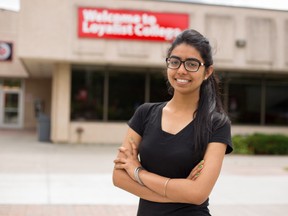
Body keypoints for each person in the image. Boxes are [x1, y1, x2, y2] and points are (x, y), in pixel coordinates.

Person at [112, 29, 233, 216]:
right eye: (175, 62)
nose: (181, 70)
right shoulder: (145, 114)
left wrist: (137, 172)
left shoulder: (217, 124)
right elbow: (119, 177)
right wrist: (178, 192)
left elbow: (198, 193)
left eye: (192, 64)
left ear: (207, 71)